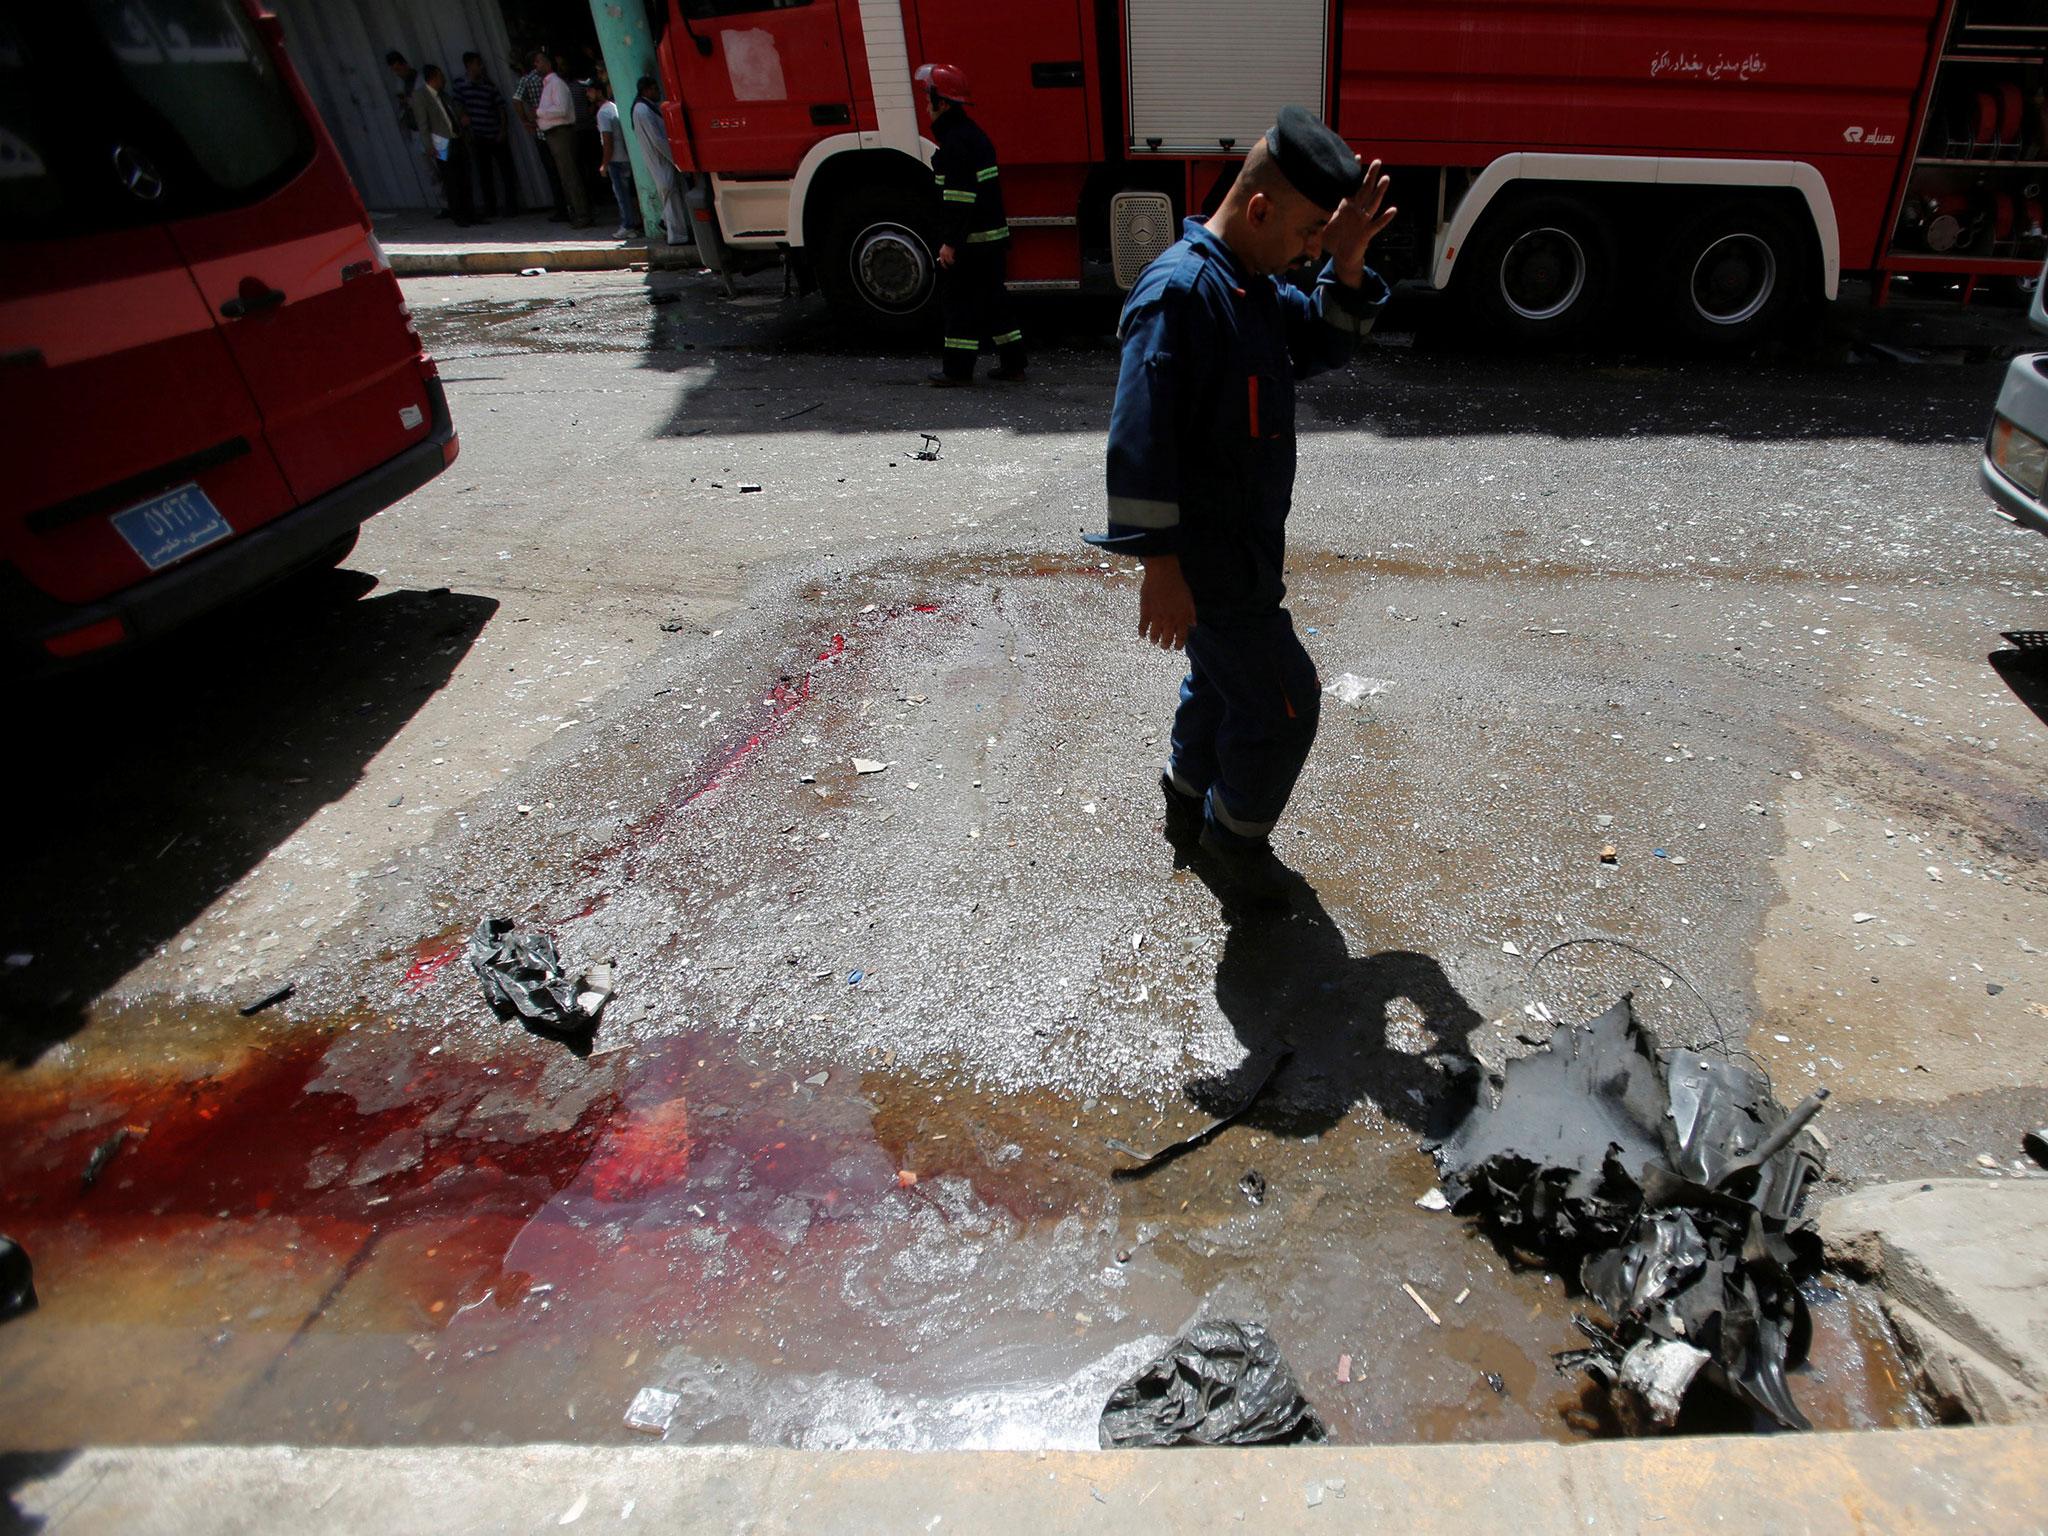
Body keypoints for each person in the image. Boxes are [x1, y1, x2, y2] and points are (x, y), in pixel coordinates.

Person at [1085, 106, 1396, 898]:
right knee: (1285, 703)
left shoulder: (1252, 285)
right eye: (1306, 234)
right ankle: (1235, 843)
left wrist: (1349, 262)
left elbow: (1324, 341)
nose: (1311, 250)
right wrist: (1160, 569)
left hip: (1247, 547)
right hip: (1209, 559)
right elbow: (1139, 442)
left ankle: (1185, 802)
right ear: (1259, 209)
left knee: (1219, 682)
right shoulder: (1184, 296)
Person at [915, 62, 1024, 386]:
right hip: (990, 240)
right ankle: (1014, 363)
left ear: (943, 103)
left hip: (972, 243)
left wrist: (950, 243)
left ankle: (957, 371)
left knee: (959, 304)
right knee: (995, 302)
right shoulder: (972, 136)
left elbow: (959, 201)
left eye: (927, 99)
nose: (925, 106)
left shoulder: (955, 144)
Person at [451, 51, 514, 221]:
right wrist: (464, 121)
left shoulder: (489, 85)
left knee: (506, 171)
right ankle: (490, 208)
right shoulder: (460, 85)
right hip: (477, 135)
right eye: (477, 64)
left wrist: (502, 130)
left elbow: (501, 108)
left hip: (494, 133)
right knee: (484, 174)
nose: (481, 67)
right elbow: (457, 107)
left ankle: (512, 206)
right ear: (469, 65)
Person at [532, 48, 590, 228]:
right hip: (553, 135)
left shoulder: (556, 84)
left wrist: (539, 112)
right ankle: (576, 212)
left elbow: (562, 109)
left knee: (570, 175)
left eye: (539, 61)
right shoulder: (547, 85)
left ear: (548, 64)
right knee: (565, 175)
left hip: (561, 133)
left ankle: (583, 214)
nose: (536, 65)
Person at [631, 76, 691, 246]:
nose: (658, 92)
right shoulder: (642, 110)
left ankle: (671, 225)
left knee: (672, 195)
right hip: (660, 160)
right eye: (655, 89)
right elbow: (658, 140)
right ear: (647, 90)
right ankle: (676, 235)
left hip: (661, 160)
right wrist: (676, 159)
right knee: (670, 195)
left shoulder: (646, 108)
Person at [413, 63, 473, 226]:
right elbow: (423, 124)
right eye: (441, 76)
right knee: (451, 180)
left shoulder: (444, 95)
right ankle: (459, 216)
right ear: (433, 78)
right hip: (441, 144)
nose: (444, 80)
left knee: (464, 178)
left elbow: (454, 111)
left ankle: (470, 213)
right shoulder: (421, 96)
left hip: (456, 138)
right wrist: (428, 147)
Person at [512, 48, 564, 221]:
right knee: (567, 170)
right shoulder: (551, 79)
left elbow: (516, 100)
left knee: (553, 172)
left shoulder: (527, 80)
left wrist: (526, 121)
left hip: (542, 131)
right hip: (560, 129)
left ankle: (562, 209)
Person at [588, 75, 643, 240]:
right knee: (628, 194)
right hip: (624, 158)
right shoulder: (613, 107)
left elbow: (607, 141)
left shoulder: (603, 113)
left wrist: (604, 164)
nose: (587, 94)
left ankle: (628, 226)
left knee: (622, 195)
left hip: (616, 160)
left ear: (598, 92)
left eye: (590, 91)